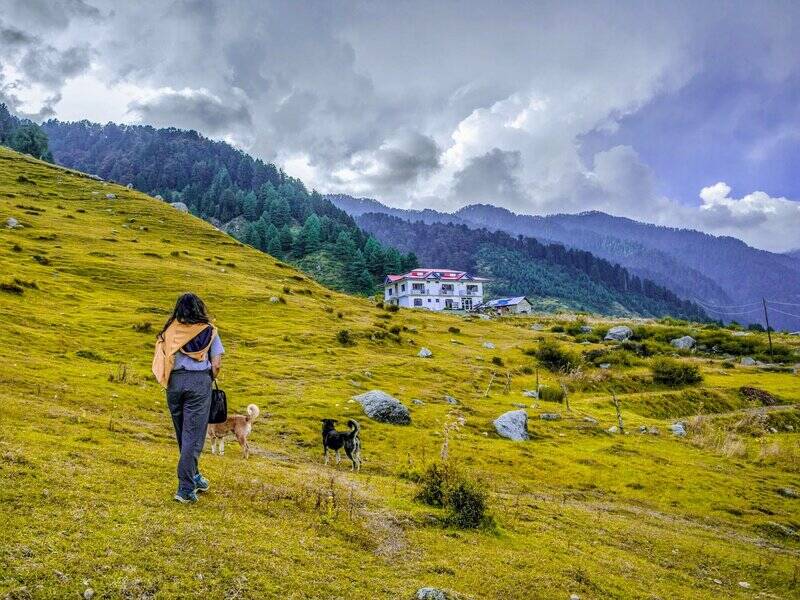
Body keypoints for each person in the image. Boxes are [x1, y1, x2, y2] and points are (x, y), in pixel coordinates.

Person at [152, 292, 224, 503]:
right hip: (199, 382)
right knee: (193, 435)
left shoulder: (169, 330)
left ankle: (194, 475)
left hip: (174, 383)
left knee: (184, 432)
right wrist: (207, 378)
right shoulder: (209, 331)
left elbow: (161, 357)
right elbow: (217, 364)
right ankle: (185, 488)